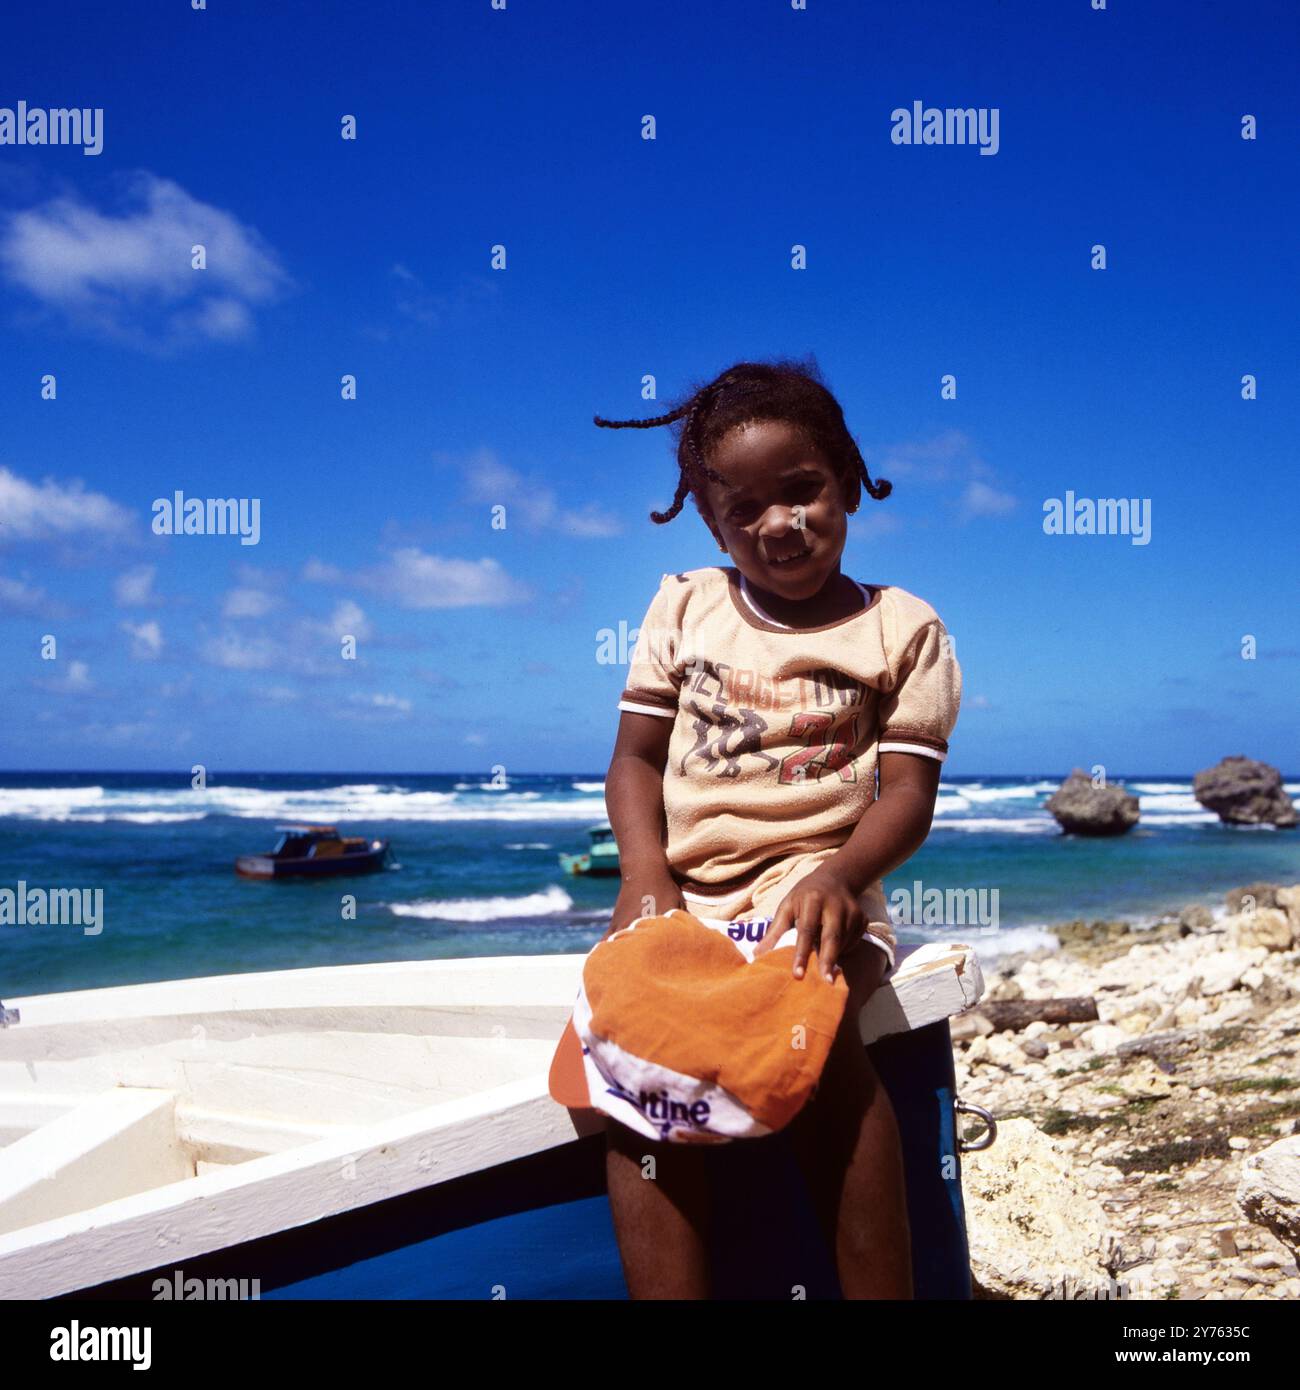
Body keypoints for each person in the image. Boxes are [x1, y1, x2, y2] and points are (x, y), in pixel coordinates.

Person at [592, 358, 962, 1299]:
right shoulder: (685, 605)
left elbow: (906, 797)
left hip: (815, 889)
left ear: (845, 480)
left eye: (801, 493)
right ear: (714, 525)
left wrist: (838, 878)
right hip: (688, 895)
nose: (778, 526)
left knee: (821, 1041)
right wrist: (645, 876)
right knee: (639, 1071)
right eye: (743, 511)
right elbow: (633, 762)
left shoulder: (901, 630)